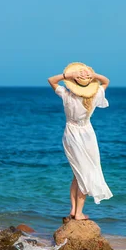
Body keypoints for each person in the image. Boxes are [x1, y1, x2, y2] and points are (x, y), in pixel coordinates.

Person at [48, 62, 113, 220]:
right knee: (85, 173)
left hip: (70, 134)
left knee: (78, 174)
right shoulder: (95, 94)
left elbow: (51, 80)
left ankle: (73, 210)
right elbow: (106, 81)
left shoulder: (66, 95)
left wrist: (67, 76)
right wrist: (93, 76)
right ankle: (78, 213)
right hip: (87, 134)